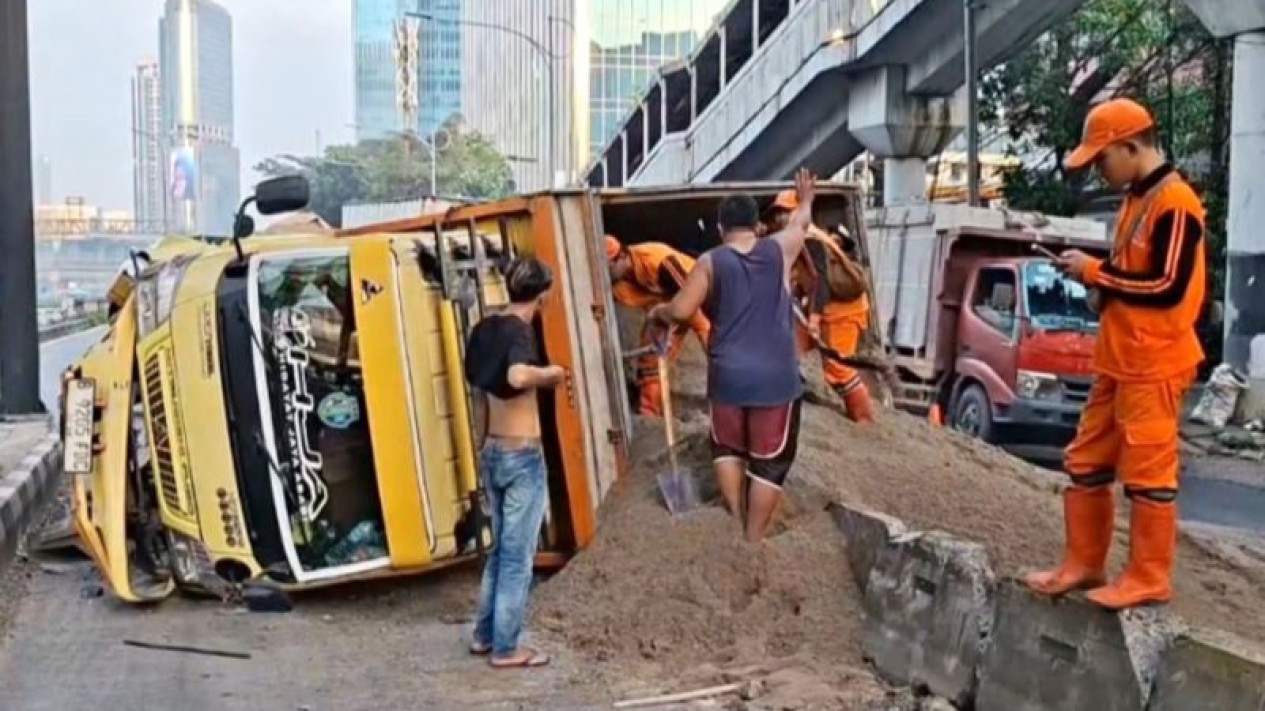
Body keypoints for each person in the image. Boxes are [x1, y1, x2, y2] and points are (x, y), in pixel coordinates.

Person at [1025, 98, 1206, 610]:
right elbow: (1134, 276)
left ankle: (1148, 576)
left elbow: (1167, 287)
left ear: (1130, 146)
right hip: (1119, 358)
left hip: (1155, 363)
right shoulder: (1136, 200)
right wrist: (1097, 277)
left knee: (1149, 474)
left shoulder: (1176, 202)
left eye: (1102, 159)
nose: (1099, 171)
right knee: (1086, 461)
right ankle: (1084, 563)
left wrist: (1095, 272)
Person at [648, 169, 816, 543]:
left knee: (728, 449)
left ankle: (733, 519)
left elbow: (680, 311)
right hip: (775, 379)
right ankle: (751, 539)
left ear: (721, 227)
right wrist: (805, 200)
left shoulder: (710, 262)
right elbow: (801, 222)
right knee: (769, 463)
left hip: (727, 377)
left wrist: (657, 313)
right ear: (757, 226)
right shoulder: (781, 248)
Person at [463, 257, 566, 668]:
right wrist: (553, 374)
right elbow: (519, 377)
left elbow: (478, 394)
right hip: (522, 456)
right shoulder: (520, 331)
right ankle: (506, 648)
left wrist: (480, 448)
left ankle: (484, 636)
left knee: (499, 551)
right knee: (517, 558)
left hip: (492, 450)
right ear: (543, 294)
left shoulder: (483, 329)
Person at [765, 192, 875, 422]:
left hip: (843, 311)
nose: (778, 219)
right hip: (824, 306)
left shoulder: (810, 238)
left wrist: (813, 319)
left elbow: (820, 281)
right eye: (776, 214)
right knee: (787, 346)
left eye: (783, 212)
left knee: (838, 369)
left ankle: (864, 420)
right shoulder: (800, 238)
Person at [605, 236, 711, 416]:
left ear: (621, 257)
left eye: (608, 268)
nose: (605, 274)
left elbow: (689, 296)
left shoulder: (656, 261)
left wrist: (703, 328)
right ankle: (650, 415)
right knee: (650, 359)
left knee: (711, 339)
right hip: (667, 307)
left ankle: (732, 391)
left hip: (698, 295)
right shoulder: (619, 283)